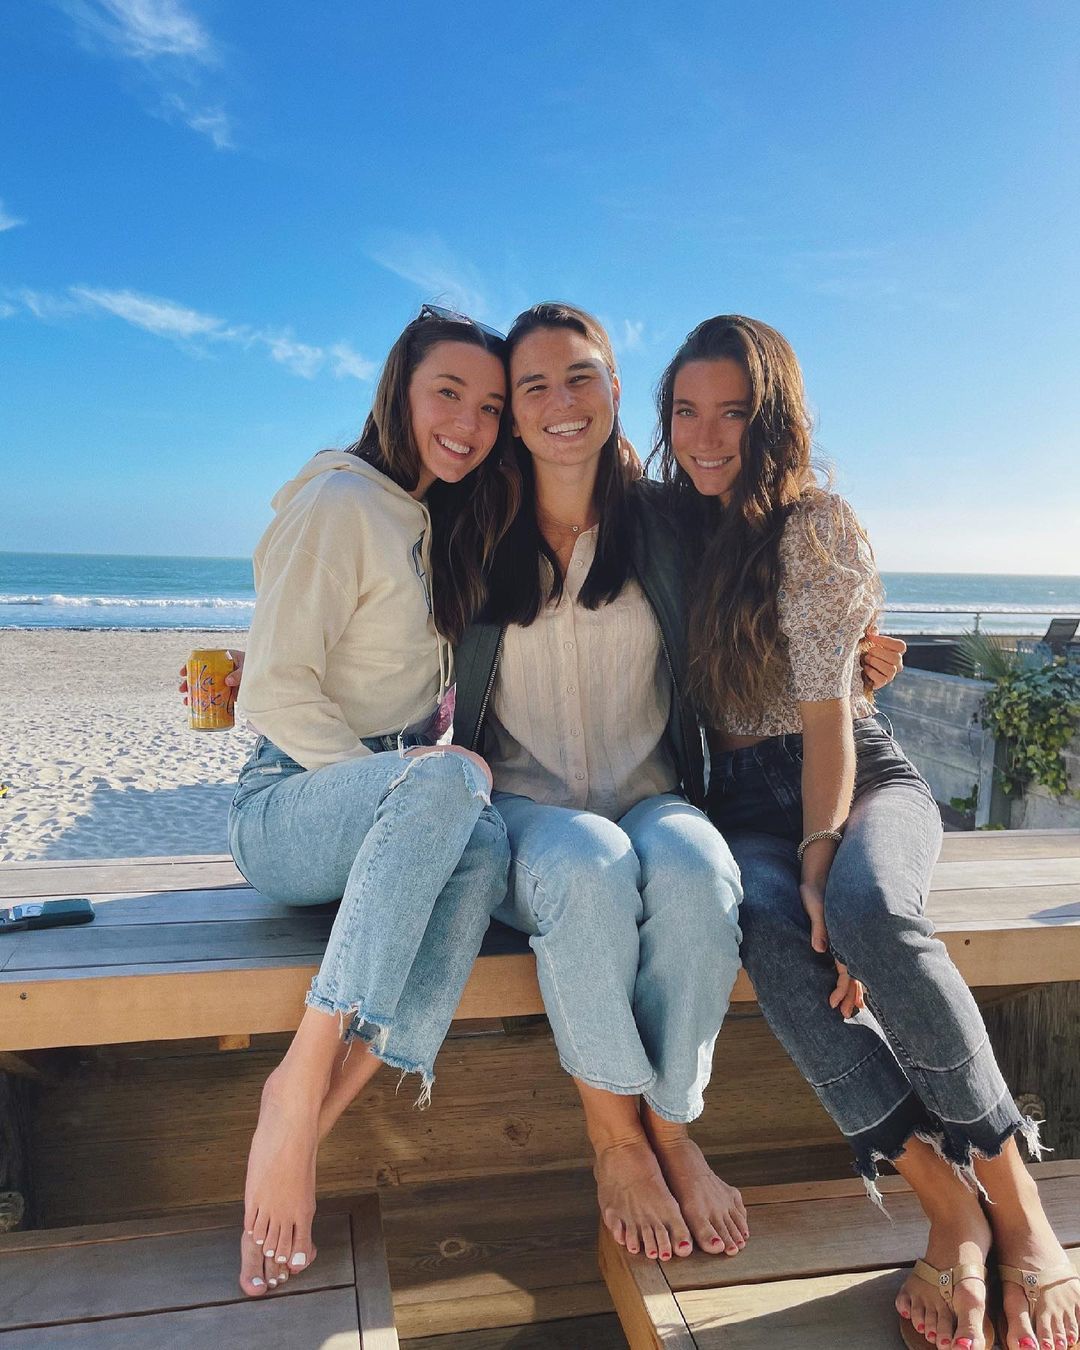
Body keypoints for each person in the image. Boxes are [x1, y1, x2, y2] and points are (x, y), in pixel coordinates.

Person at [652, 312, 1080, 1350]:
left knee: (868, 908)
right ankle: (943, 1202)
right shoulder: (669, 527)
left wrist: (822, 856)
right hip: (739, 802)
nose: (706, 437)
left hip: (857, 774)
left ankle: (1013, 1196)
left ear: (774, 420)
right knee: (766, 933)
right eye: (686, 412)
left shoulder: (816, 525)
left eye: (733, 414)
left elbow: (830, 719)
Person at [220, 306, 518, 1299]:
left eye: (489, 407)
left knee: (486, 843)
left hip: (379, 800)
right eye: (448, 394)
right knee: (449, 783)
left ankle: (322, 1112)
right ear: (399, 390)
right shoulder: (340, 500)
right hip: (288, 807)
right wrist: (398, 791)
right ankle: (295, 1079)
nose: (469, 424)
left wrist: (416, 792)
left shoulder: (434, 519)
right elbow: (273, 689)